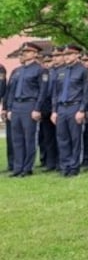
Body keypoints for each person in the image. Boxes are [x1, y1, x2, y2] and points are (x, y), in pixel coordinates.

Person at [5, 42, 48, 177]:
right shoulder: (18, 71)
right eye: (24, 52)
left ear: (35, 54)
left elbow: (43, 91)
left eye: (28, 52)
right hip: (16, 106)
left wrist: (37, 108)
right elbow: (11, 91)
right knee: (16, 139)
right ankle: (18, 167)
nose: (25, 54)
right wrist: (9, 108)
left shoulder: (40, 70)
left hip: (30, 105)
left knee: (29, 138)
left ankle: (27, 167)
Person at [51, 43, 88, 177]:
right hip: (62, 107)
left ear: (77, 55)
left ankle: (74, 166)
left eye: (70, 54)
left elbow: (86, 92)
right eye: (65, 55)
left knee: (75, 138)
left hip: (75, 106)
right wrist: (54, 111)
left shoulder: (83, 70)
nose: (66, 57)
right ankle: (64, 165)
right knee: (62, 138)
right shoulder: (61, 71)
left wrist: (82, 110)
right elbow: (56, 93)